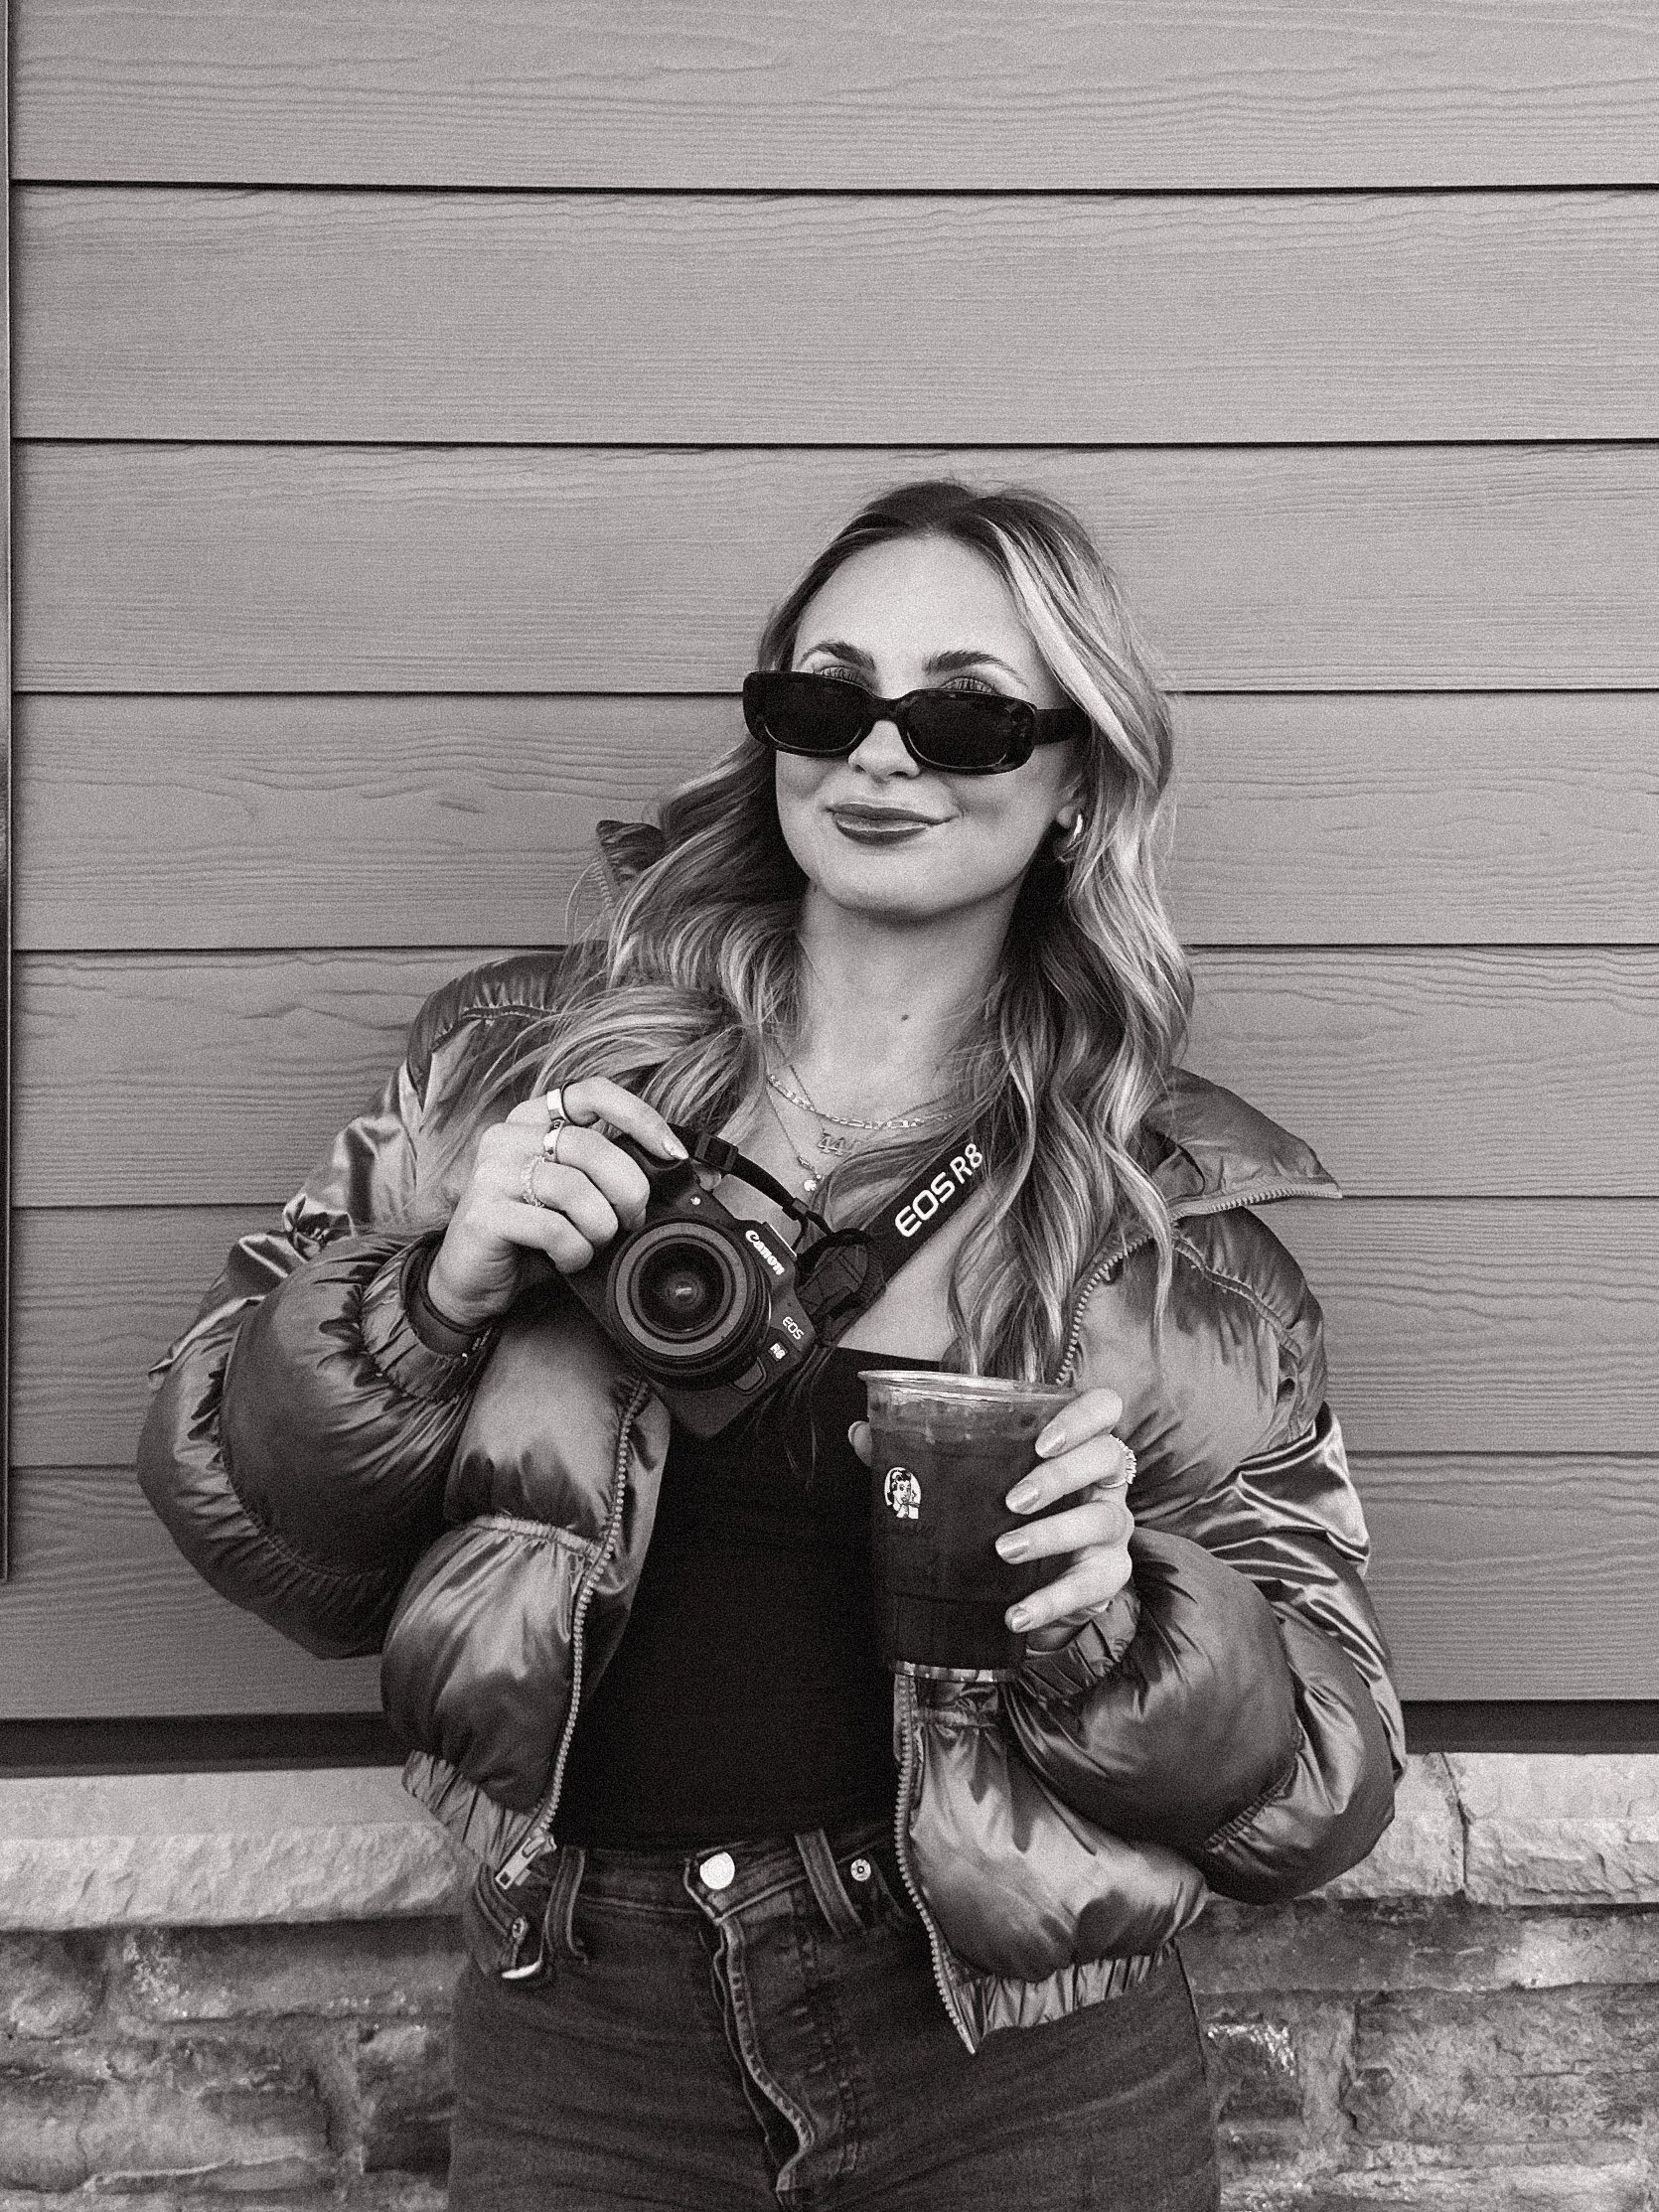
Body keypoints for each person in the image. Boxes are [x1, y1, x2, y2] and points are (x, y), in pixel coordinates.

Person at [138, 480, 1403, 2211]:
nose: (880, 754)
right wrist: (430, 1295)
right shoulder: (523, 1070)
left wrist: (1125, 1618)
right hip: (587, 2032)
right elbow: (236, 1508)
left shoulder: (1165, 1225)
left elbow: (1326, 1776)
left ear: (1075, 783)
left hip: (1018, 2071)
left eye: (964, 714)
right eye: (825, 695)